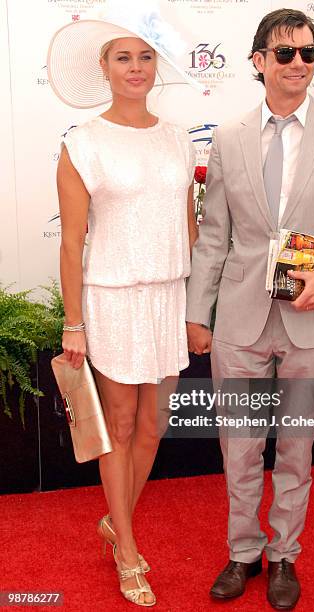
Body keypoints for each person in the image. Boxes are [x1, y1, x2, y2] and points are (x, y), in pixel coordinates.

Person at [186, 8, 314, 610]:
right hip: (241, 321)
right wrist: (200, 312)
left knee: (296, 448)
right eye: (285, 53)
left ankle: (283, 558)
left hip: (312, 319)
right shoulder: (226, 138)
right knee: (240, 444)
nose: (299, 63)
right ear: (259, 62)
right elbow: (214, 236)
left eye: (309, 52)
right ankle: (243, 551)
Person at [48, 6, 200, 607]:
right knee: (120, 426)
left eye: (144, 56)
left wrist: (199, 303)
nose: (135, 68)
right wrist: (74, 321)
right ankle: (129, 551)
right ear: (104, 68)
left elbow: (187, 228)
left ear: (154, 65)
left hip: (166, 296)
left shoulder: (177, 136)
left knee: (154, 426)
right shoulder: (82, 144)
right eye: (122, 57)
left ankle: (116, 521)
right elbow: (70, 241)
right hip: (111, 299)